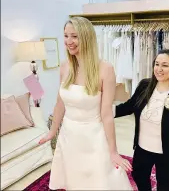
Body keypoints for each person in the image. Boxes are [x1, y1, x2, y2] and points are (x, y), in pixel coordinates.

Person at [39, 16, 133, 190]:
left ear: (86, 37)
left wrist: (113, 151)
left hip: (93, 137)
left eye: (74, 36)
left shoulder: (105, 69)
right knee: (74, 180)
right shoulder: (65, 66)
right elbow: (60, 103)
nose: (69, 41)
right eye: (66, 36)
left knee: (97, 182)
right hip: (69, 135)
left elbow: (106, 115)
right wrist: (52, 133)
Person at [114, 49, 169, 191]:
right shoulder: (144, 86)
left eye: (165, 65)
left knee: (164, 185)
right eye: (157, 64)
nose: (159, 69)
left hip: (168, 152)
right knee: (138, 175)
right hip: (143, 147)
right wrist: (106, 112)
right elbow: (130, 106)